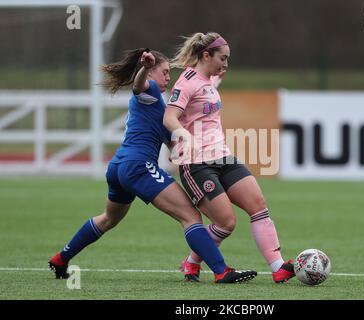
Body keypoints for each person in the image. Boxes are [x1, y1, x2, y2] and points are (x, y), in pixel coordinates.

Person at [48, 48, 257, 284]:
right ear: (151, 74)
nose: (169, 78)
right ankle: (221, 271)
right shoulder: (152, 93)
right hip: (139, 166)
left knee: (108, 219)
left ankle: (60, 258)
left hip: (119, 166)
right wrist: (145, 69)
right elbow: (138, 86)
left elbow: (171, 142)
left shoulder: (163, 106)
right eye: (165, 72)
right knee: (190, 216)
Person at [163, 32, 295, 283]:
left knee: (258, 206)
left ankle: (278, 267)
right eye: (223, 58)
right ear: (206, 55)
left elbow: (203, 102)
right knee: (226, 223)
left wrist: (215, 85)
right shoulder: (186, 81)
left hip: (223, 156)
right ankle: (192, 262)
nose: (226, 64)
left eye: (228, 59)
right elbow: (169, 116)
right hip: (196, 163)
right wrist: (182, 134)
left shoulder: (206, 81)